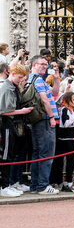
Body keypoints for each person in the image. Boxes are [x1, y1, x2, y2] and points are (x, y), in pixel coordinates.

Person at [28, 55, 60, 195]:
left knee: (38, 153)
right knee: (46, 154)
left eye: (46, 64)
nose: (44, 66)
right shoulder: (38, 80)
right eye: (42, 64)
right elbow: (46, 100)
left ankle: (36, 185)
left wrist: (57, 77)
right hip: (45, 119)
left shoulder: (36, 80)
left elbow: (55, 92)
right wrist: (52, 117)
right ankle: (42, 185)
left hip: (39, 120)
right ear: (34, 65)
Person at [0, 63, 33, 197]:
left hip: (10, 124)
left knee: (10, 154)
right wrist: (23, 111)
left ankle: (8, 184)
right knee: (6, 155)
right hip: (6, 124)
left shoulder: (12, 87)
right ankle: (4, 186)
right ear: (12, 74)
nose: (21, 80)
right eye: (19, 77)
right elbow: (3, 111)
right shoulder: (7, 88)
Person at [49, 92, 74, 192]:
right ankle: (63, 182)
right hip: (64, 140)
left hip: (70, 139)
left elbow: (72, 124)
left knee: (72, 160)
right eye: (73, 99)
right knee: (64, 161)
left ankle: (68, 181)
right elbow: (65, 123)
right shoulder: (64, 110)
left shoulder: (72, 111)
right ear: (67, 101)